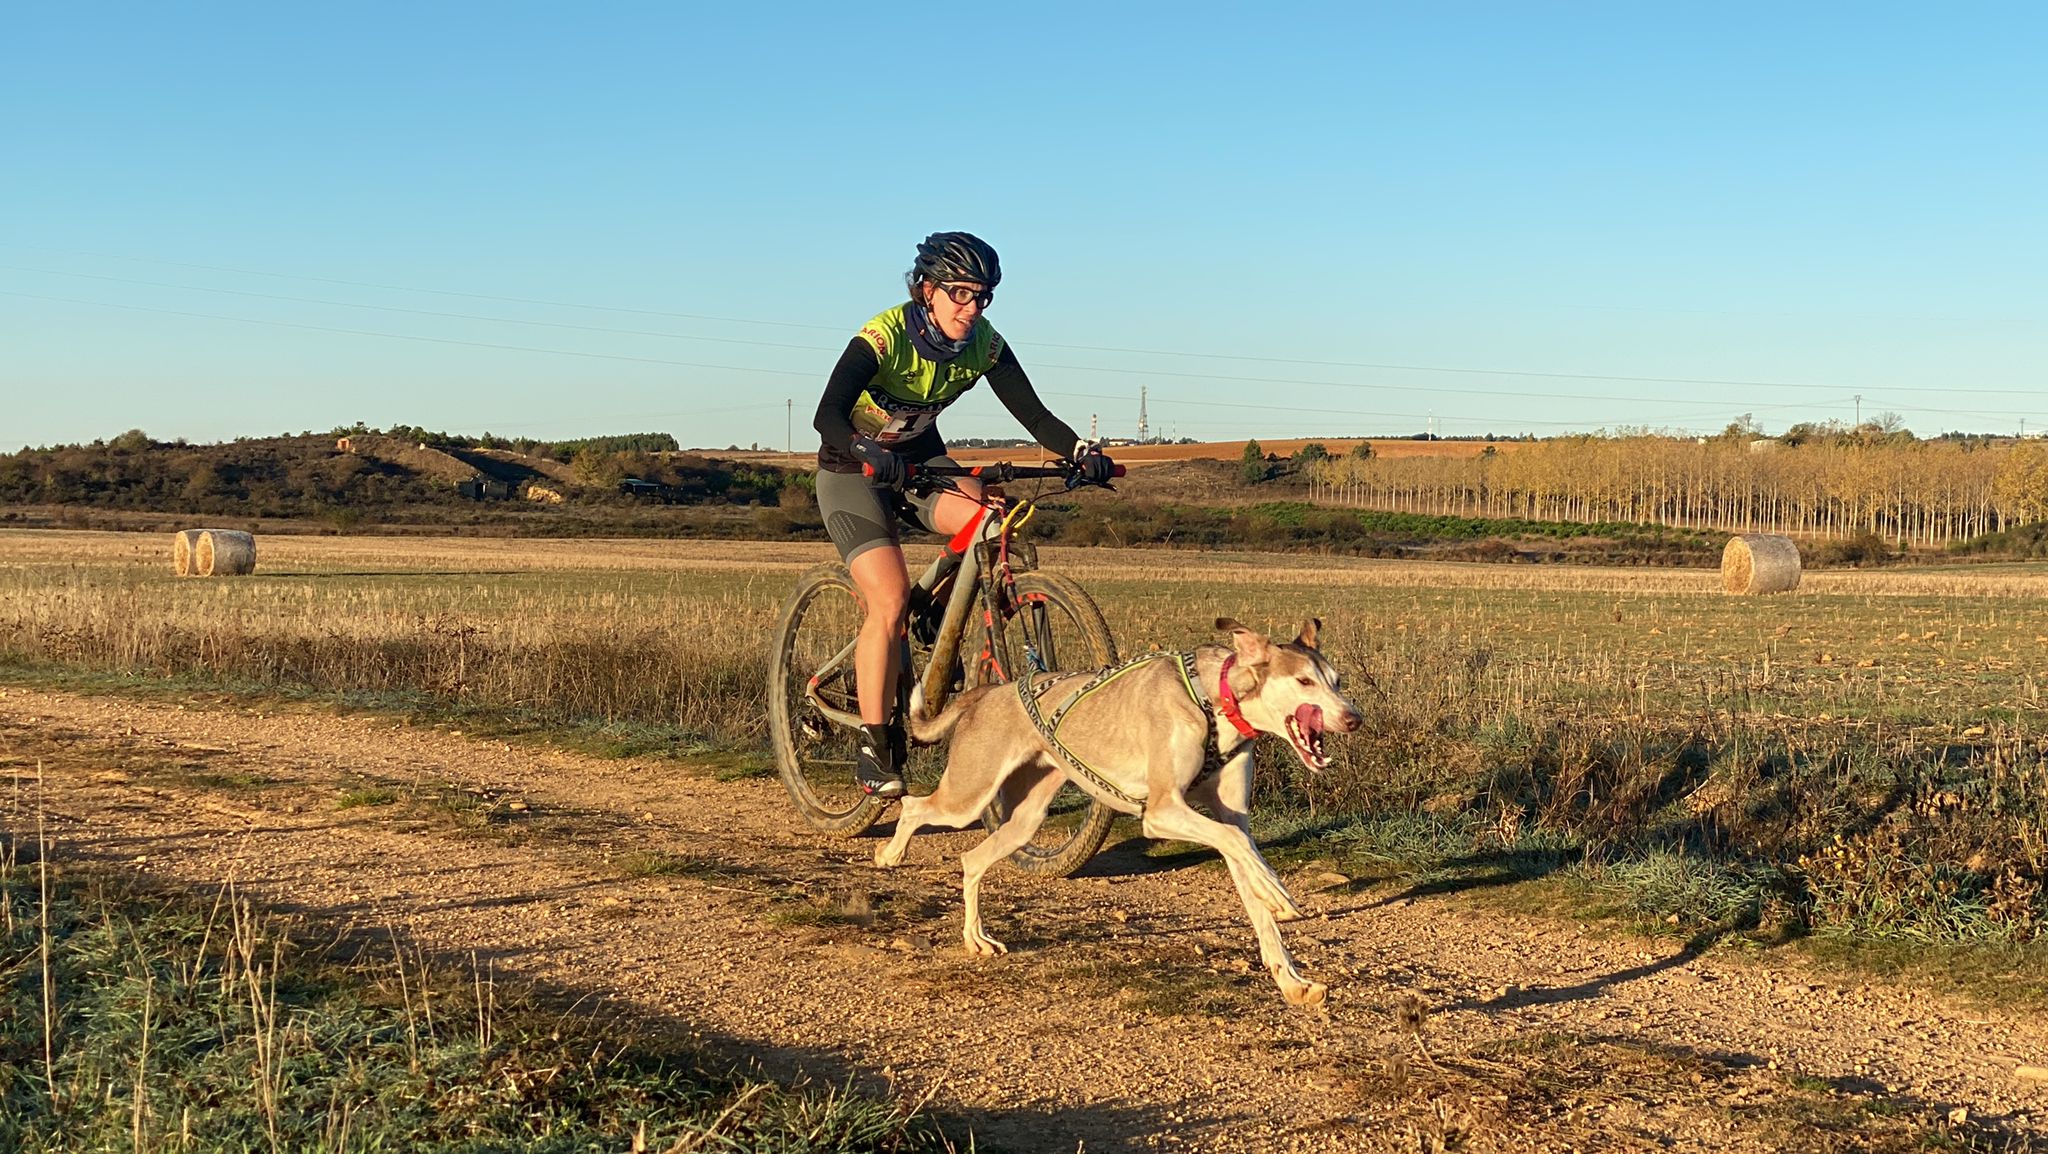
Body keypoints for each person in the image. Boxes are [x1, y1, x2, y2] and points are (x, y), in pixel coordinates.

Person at [813, 231, 1115, 798]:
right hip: (851, 470)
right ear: (926, 290)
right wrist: (866, 449)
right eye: (959, 294)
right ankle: (876, 747)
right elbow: (826, 414)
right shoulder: (882, 339)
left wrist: (1080, 453)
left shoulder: (984, 344)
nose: (971, 308)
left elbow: (1035, 414)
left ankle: (938, 615)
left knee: (988, 517)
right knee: (888, 599)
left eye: (982, 296)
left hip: (919, 462)